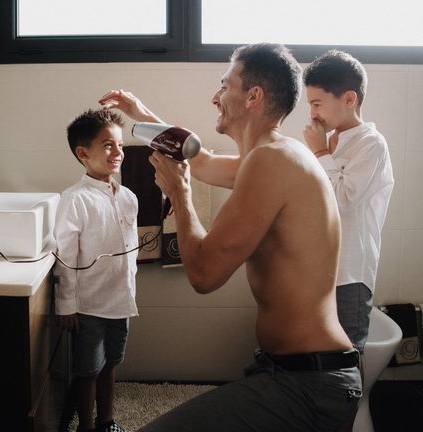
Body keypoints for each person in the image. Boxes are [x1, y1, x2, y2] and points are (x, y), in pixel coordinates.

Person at [99, 43, 362, 431]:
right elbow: (199, 159)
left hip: (308, 384)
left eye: (225, 86)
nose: (215, 97)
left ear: (253, 96)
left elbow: (204, 274)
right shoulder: (275, 154)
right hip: (297, 372)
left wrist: (179, 194)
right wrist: (141, 114)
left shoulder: (272, 161)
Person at [303, 50, 394, 357]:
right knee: (319, 355)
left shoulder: (371, 143)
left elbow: (343, 199)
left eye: (317, 104)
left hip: (351, 274)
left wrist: (319, 154)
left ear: (349, 99)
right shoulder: (331, 143)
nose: (312, 113)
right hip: (322, 268)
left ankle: (349, 407)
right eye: (310, 105)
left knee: (345, 359)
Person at [54, 109, 139, 432]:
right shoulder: (75, 199)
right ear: (83, 153)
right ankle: (86, 426)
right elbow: (66, 255)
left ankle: (107, 422)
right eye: (107, 145)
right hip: (89, 304)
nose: (117, 152)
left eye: (120, 145)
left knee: (110, 365)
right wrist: (67, 304)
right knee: (88, 370)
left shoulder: (128, 197)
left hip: (120, 300)